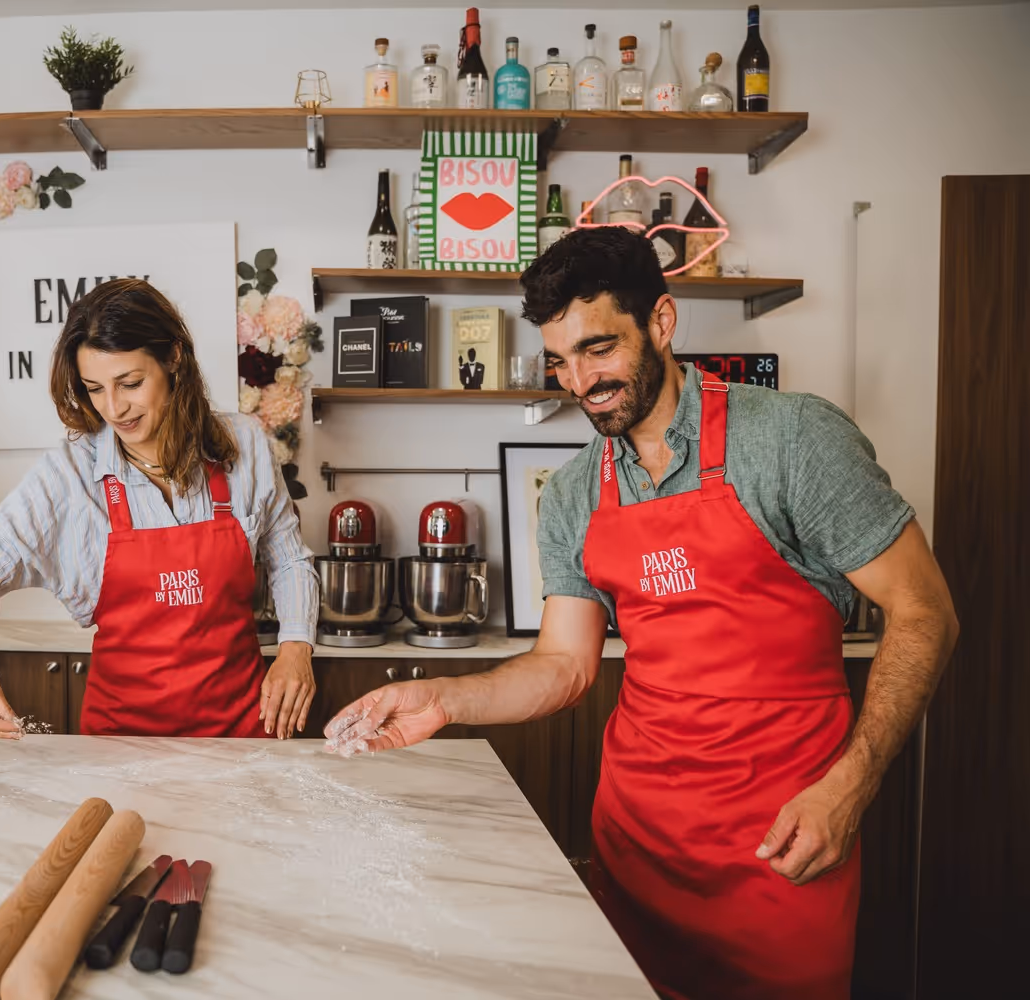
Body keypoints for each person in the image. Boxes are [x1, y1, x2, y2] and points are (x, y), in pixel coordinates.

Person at [323, 226, 958, 999]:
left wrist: (850, 787)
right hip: (639, 850)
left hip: (786, 843)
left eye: (599, 350)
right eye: (561, 360)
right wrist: (444, 699)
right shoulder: (573, 492)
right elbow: (564, 664)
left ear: (662, 322)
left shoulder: (792, 439)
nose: (579, 382)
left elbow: (926, 611)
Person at [0, 278, 318, 741]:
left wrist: (297, 646)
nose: (114, 409)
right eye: (95, 389)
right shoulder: (70, 476)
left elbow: (289, 557)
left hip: (239, 735)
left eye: (130, 383)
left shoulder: (244, 445)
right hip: (120, 751)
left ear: (174, 358)